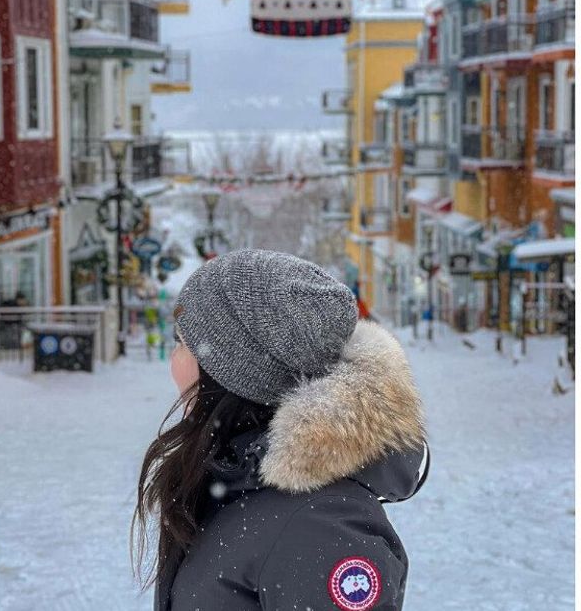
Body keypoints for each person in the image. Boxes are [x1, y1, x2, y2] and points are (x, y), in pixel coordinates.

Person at [134, 249, 428, 611]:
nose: (173, 360)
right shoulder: (239, 478)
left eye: (182, 343)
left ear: (232, 371)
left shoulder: (318, 527)